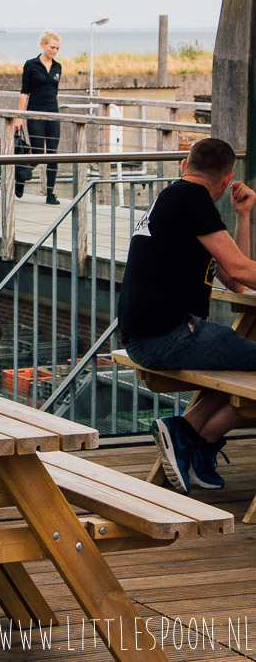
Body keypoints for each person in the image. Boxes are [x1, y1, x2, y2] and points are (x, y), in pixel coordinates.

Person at [118, 137, 256, 494]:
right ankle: (197, 437)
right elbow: (241, 272)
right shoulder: (192, 199)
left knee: (239, 366)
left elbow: (235, 280)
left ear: (184, 164)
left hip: (150, 337)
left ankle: (193, 435)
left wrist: (242, 216)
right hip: (168, 338)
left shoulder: (174, 197)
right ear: (227, 181)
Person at [15, 30, 62, 205]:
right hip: (35, 113)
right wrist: (20, 116)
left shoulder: (58, 67)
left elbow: (54, 92)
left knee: (52, 154)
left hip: (52, 113)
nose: (54, 51)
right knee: (37, 152)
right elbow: (24, 93)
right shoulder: (31, 65)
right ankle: (21, 175)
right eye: (52, 47)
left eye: (57, 48)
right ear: (43, 45)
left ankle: (50, 193)